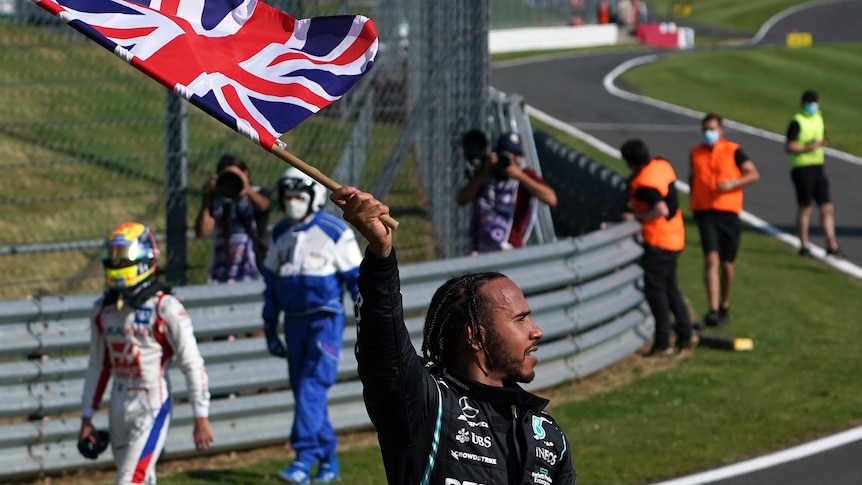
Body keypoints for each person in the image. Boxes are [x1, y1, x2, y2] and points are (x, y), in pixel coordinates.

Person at [330, 185, 577, 484]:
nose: (537, 331)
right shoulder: (427, 406)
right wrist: (381, 256)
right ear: (474, 336)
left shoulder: (548, 436)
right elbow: (385, 349)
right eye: (520, 319)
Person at [80, 222, 214, 484]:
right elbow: (98, 365)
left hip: (152, 401)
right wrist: (87, 416)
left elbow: (192, 362)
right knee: (141, 477)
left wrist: (201, 414)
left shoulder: (166, 307)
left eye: (123, 258)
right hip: (118, 403)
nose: (116, 265)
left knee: (129, 479)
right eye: (113, 258)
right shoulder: (102, 310)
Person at [261, 168, 362, 484]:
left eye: (298, 197)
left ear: (313, 198)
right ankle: (329, 462)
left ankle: (303, 459)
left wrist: (367, 324)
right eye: (287, 197)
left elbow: (357, 284)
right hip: (293, 323)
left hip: (324, 321)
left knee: (311, 389)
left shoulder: (335, 232)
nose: (292, 203)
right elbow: (271, 286)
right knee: (306, 395)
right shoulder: (279, 234)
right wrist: (269, 327)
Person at [621, 139, 696, 356]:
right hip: (675, 236)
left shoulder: (644, 184)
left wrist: (636, 215)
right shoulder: (661, 165)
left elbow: (661, 209)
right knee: (671, 288)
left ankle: (663, 341)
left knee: (657, 292)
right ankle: (686, 332)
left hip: (658, 241)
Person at [689, 113, 760, 327]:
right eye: (705, 130)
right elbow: (693, 178)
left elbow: (753, 174)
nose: (708, 133)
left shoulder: (733, 150)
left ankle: (724, 304)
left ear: (721, 130)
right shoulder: (696, 153)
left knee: (727, 262)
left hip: (727, 210)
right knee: (711, 258)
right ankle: (712, 309)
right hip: (704, 211)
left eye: (712, 129)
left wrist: (732, 183)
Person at [456, 131, 557, 254]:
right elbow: (461, 199)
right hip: (481, 249)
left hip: (510, 250)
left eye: (516, 156)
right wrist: (484, 173)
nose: (511, 160)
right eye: (506, 155)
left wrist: (520, 176)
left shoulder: (526, 175)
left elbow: (551, 199)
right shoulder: (487, 173)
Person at [195, 154, 272, 283]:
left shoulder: (256, 193)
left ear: (245, 174)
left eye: (235, 176)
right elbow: (202, 232)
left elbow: (263, 206)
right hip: (222, 269)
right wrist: (207, 198)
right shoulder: (217, 199)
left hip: (253, 266)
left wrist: (245, 188)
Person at [785, 89, 842, 258]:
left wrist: (821, 143)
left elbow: (821, 138)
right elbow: (789, 147)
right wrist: (808, 147)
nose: (813, 106)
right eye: (810, 103)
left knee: (827, 207)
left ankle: (831, 244)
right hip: (801, 168)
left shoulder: (819, 118)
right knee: (806, 207)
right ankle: (804, 245)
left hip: (818, 167)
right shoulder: (797, 121)